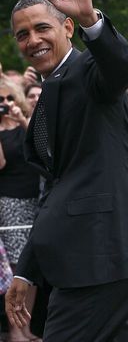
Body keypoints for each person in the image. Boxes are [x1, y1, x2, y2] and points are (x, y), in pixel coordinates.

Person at [6, 0, 128, 342]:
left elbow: (121, 67)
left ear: (68, 28)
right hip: (82, 259)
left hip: (105, 252)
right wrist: (26, 271)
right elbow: (53, 195)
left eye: (42, 28)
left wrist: (94, 20)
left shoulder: (91, 73)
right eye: (22, 34)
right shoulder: (45, 98)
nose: (33, 40)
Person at [0, 78, 41, 342]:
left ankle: (26, 326)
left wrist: (22, 118)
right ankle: (15, 329)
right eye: (0, 101)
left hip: (35, 201)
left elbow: (41, 149)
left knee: (33, 267)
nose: (5, 104)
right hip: (9, 202)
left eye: (9, 99)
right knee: (17, 268)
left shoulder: (27, 121)